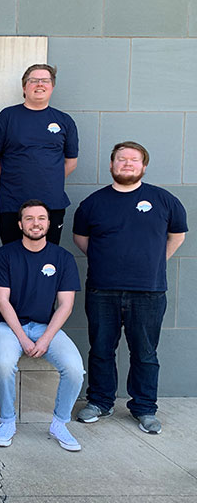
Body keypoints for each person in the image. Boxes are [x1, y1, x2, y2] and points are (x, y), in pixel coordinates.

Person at [73, 141, 187, 434]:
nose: (127, 164)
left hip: (148, 292)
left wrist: (152, 263)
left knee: (145, 353)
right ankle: (100, 402)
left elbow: (177, 236)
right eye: (121, 159)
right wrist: (106, 261)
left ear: (143, 166)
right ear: (111, 165)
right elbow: (81, 239)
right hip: (102, 290)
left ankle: (145, 408)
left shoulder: (164, 200)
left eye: (133, 160)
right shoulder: (93, 203)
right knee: (100, 349)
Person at [0, 199, 85, 451]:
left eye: (41, 218)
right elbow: (2, 300)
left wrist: (44, 339)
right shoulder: (5, 255)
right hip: (10, 327)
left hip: (47, 326)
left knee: (75, 370)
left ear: (49, 223)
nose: (36, 223)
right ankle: (8, 421)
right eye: (29, 219)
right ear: (20, 224)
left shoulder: (62, 258)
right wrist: (22, 338)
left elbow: (65, 305)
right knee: (5, 365)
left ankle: (60, 424)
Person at [0, 64, 78, 245]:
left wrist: (49, 180)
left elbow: (71, 162)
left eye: (45, 80)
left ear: (52, 86)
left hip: (52, 204)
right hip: (13, 204)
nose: (39, 84)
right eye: (33, 80)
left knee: (48, 259)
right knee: (12, 256)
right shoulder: (7, 117)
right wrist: (12, 181)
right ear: (24, 87)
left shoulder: (64, 121)